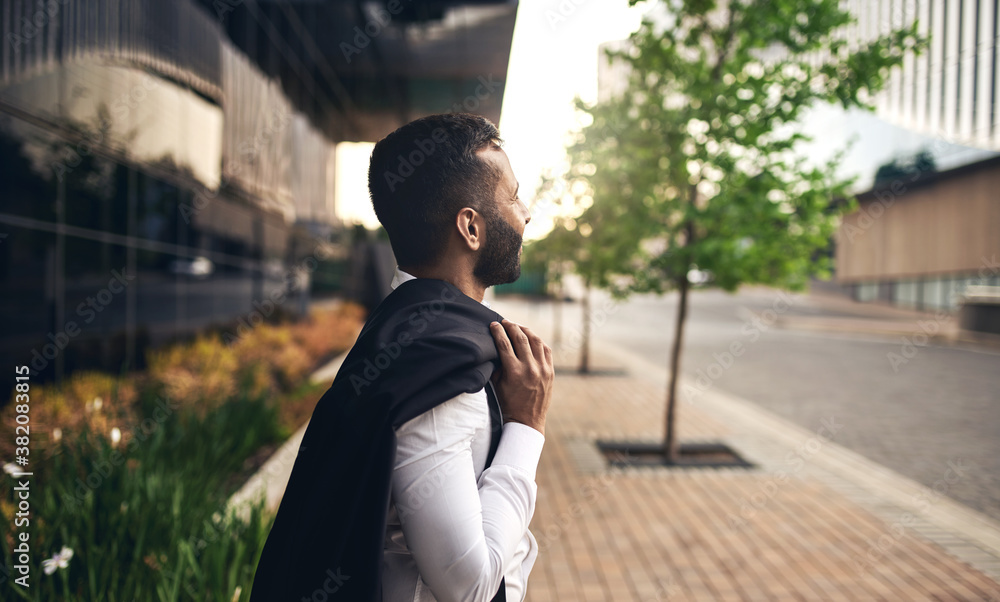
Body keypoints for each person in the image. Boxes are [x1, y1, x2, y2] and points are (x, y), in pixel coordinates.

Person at [248, 113, 554, 602]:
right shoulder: (441, 372)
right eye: (513, 196)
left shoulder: (402, 332)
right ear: (470, 227)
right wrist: (527, 426)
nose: (526, 213)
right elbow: (469, 584)